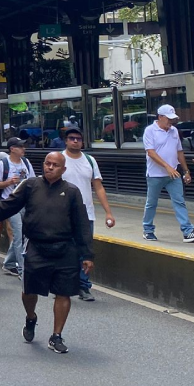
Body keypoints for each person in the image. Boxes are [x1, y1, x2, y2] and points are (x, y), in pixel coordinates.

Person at [0, 152, 94, 355]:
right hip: (36, 247)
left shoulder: (72, 192)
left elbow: (81, 224)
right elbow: (6, 207)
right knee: (29, 291)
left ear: (63, 170)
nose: (50, 167)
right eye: (47, 163)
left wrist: (88, 255)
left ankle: (56, 336)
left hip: (65, 250)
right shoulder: (30, 186)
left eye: (55, 165)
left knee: (63, 293)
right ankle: (31, 317)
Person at [59, 126, 115, 301]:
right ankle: (63, 285)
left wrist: (108, 212)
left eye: (78, 138)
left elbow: (98, 186)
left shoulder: (89, 160)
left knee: (85, 251)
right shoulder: (59, 159)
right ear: (66, 141)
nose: (75, 141)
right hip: (62, 214)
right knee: (66, 250)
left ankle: (84, 287)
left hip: (86, 214)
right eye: (72, 138)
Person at [142, 105, 194, 243]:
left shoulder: (174, 131)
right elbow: (151, 152)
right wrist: (167, 167)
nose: (171, 122)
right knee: (151, 203)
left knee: (179, 202)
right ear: (160, 117)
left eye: (172, 119)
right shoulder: (150, 131)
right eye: (168, 119)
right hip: (155, 174)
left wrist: (186, 171)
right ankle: (148, 230)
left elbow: (179, 152)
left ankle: (188, 231)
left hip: (174, 174)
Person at [0, 138, 35, 276]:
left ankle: (9, 263)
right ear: (12, 149)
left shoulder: (26, 163)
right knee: (18, 234)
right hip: (9, 203)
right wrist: (8, 182)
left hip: (25, 203)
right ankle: (22, 270)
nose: (24, 149)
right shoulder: (3, 164)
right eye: (20, 146)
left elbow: (33, 181)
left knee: (22, 234)